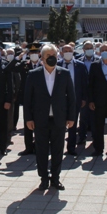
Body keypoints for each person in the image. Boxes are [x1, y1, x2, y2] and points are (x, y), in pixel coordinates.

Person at [24, 44, 76, 191]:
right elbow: (27, 99)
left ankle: (55, 178)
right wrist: (28, 119)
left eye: (54, 55)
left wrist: (71, 117)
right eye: (48, 55)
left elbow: (71, 97)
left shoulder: (64, 73)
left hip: (59, 119)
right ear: (42, 57)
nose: (51, 58)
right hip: (40, 119)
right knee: (41, 150)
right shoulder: (34, 74)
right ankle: (44, 178)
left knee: (58, 150)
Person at [11, 42, 42, 155]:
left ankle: (39, 146)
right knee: (27, 123)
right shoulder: (24, 64)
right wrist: (18, 57)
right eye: (31, 52)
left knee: (40, 124)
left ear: (39, 53)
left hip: (41, 99)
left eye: (36, 52)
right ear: (28, 54)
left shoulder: (44, 64)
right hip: (27, 98)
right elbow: (9, 68)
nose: (34, 54)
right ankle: (28, 147)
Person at [57, 44, 88, 156]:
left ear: (73, 51)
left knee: (73, 124)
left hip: (75, 99)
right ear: (61, 53)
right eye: (65, 51)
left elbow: (84, 83)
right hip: (59, 100)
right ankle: (58, 147)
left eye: (69, 50)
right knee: (59, 125)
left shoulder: (80, 65)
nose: (67, 53)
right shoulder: (57, 65)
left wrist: (84, 98)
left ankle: (71, 147)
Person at [77, 41, 99, 145]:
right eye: (87, 48)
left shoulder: (99, 60)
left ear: (94, 49)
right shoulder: (79, 61)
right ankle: (82, 137)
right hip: (84, 94)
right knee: (83, 117)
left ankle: (96, 138)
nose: (89, 50)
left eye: (91, 48)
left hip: (95, 93)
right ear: (83, 50)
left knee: (95, 118)